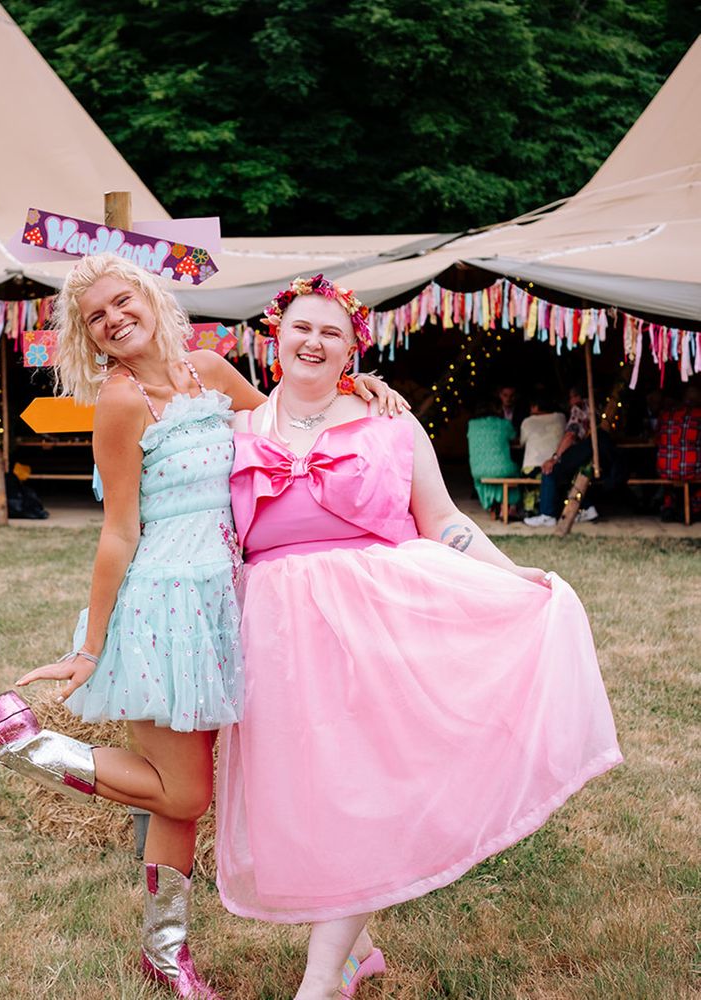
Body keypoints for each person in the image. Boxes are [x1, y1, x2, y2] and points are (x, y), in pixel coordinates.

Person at [0, 254, 406, 999]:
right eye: (97, 317)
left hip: (225, 602)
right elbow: (119, 532)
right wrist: (88, 647)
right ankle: (25, 742)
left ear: (150, 297)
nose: (114, 320)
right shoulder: (122, 403)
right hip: (162, 608)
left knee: (177, 793)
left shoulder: (210, 372)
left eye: (121, 302)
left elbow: (288, 421)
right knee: (185, 794)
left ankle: (167, 956)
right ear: (88, 338)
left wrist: (358, 388)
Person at [214, 276, 622, 999]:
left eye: (331, 333)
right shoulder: (236, 424)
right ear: (275, 335)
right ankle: (357, 946)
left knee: (367, 786)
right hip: (276, 631)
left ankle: (322, 979)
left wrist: (511, 573)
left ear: (354, 349)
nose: (314, 342)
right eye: (302, 327)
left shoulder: (390, 424)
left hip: (377, 618)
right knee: (311, 794)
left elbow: (440, 519)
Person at [523, 386, 599, 526]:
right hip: (593, 453)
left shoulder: (579, 408)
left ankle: (547, 514)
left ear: (576, 397)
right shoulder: (595, 408)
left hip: (583, 449)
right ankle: (587, 508)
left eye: (570, 397)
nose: (570, 401)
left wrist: (555, 458)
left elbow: (571, 434)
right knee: (570, 473)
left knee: (550, 469)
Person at [656, 383, 701, 522]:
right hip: (691, 470)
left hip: (665, 469)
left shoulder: (665, 414)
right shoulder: (699, 414)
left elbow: (657, 438)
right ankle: (695, 506)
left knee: (673, 473)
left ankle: (669, 503)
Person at [466, 400, 520, 516]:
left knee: (491, 474)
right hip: (503, 469)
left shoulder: (472, 424)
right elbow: (514, 438)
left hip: (477, 471)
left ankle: (491, 503)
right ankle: (510, 504)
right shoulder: (504, 424)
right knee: (514, 471)